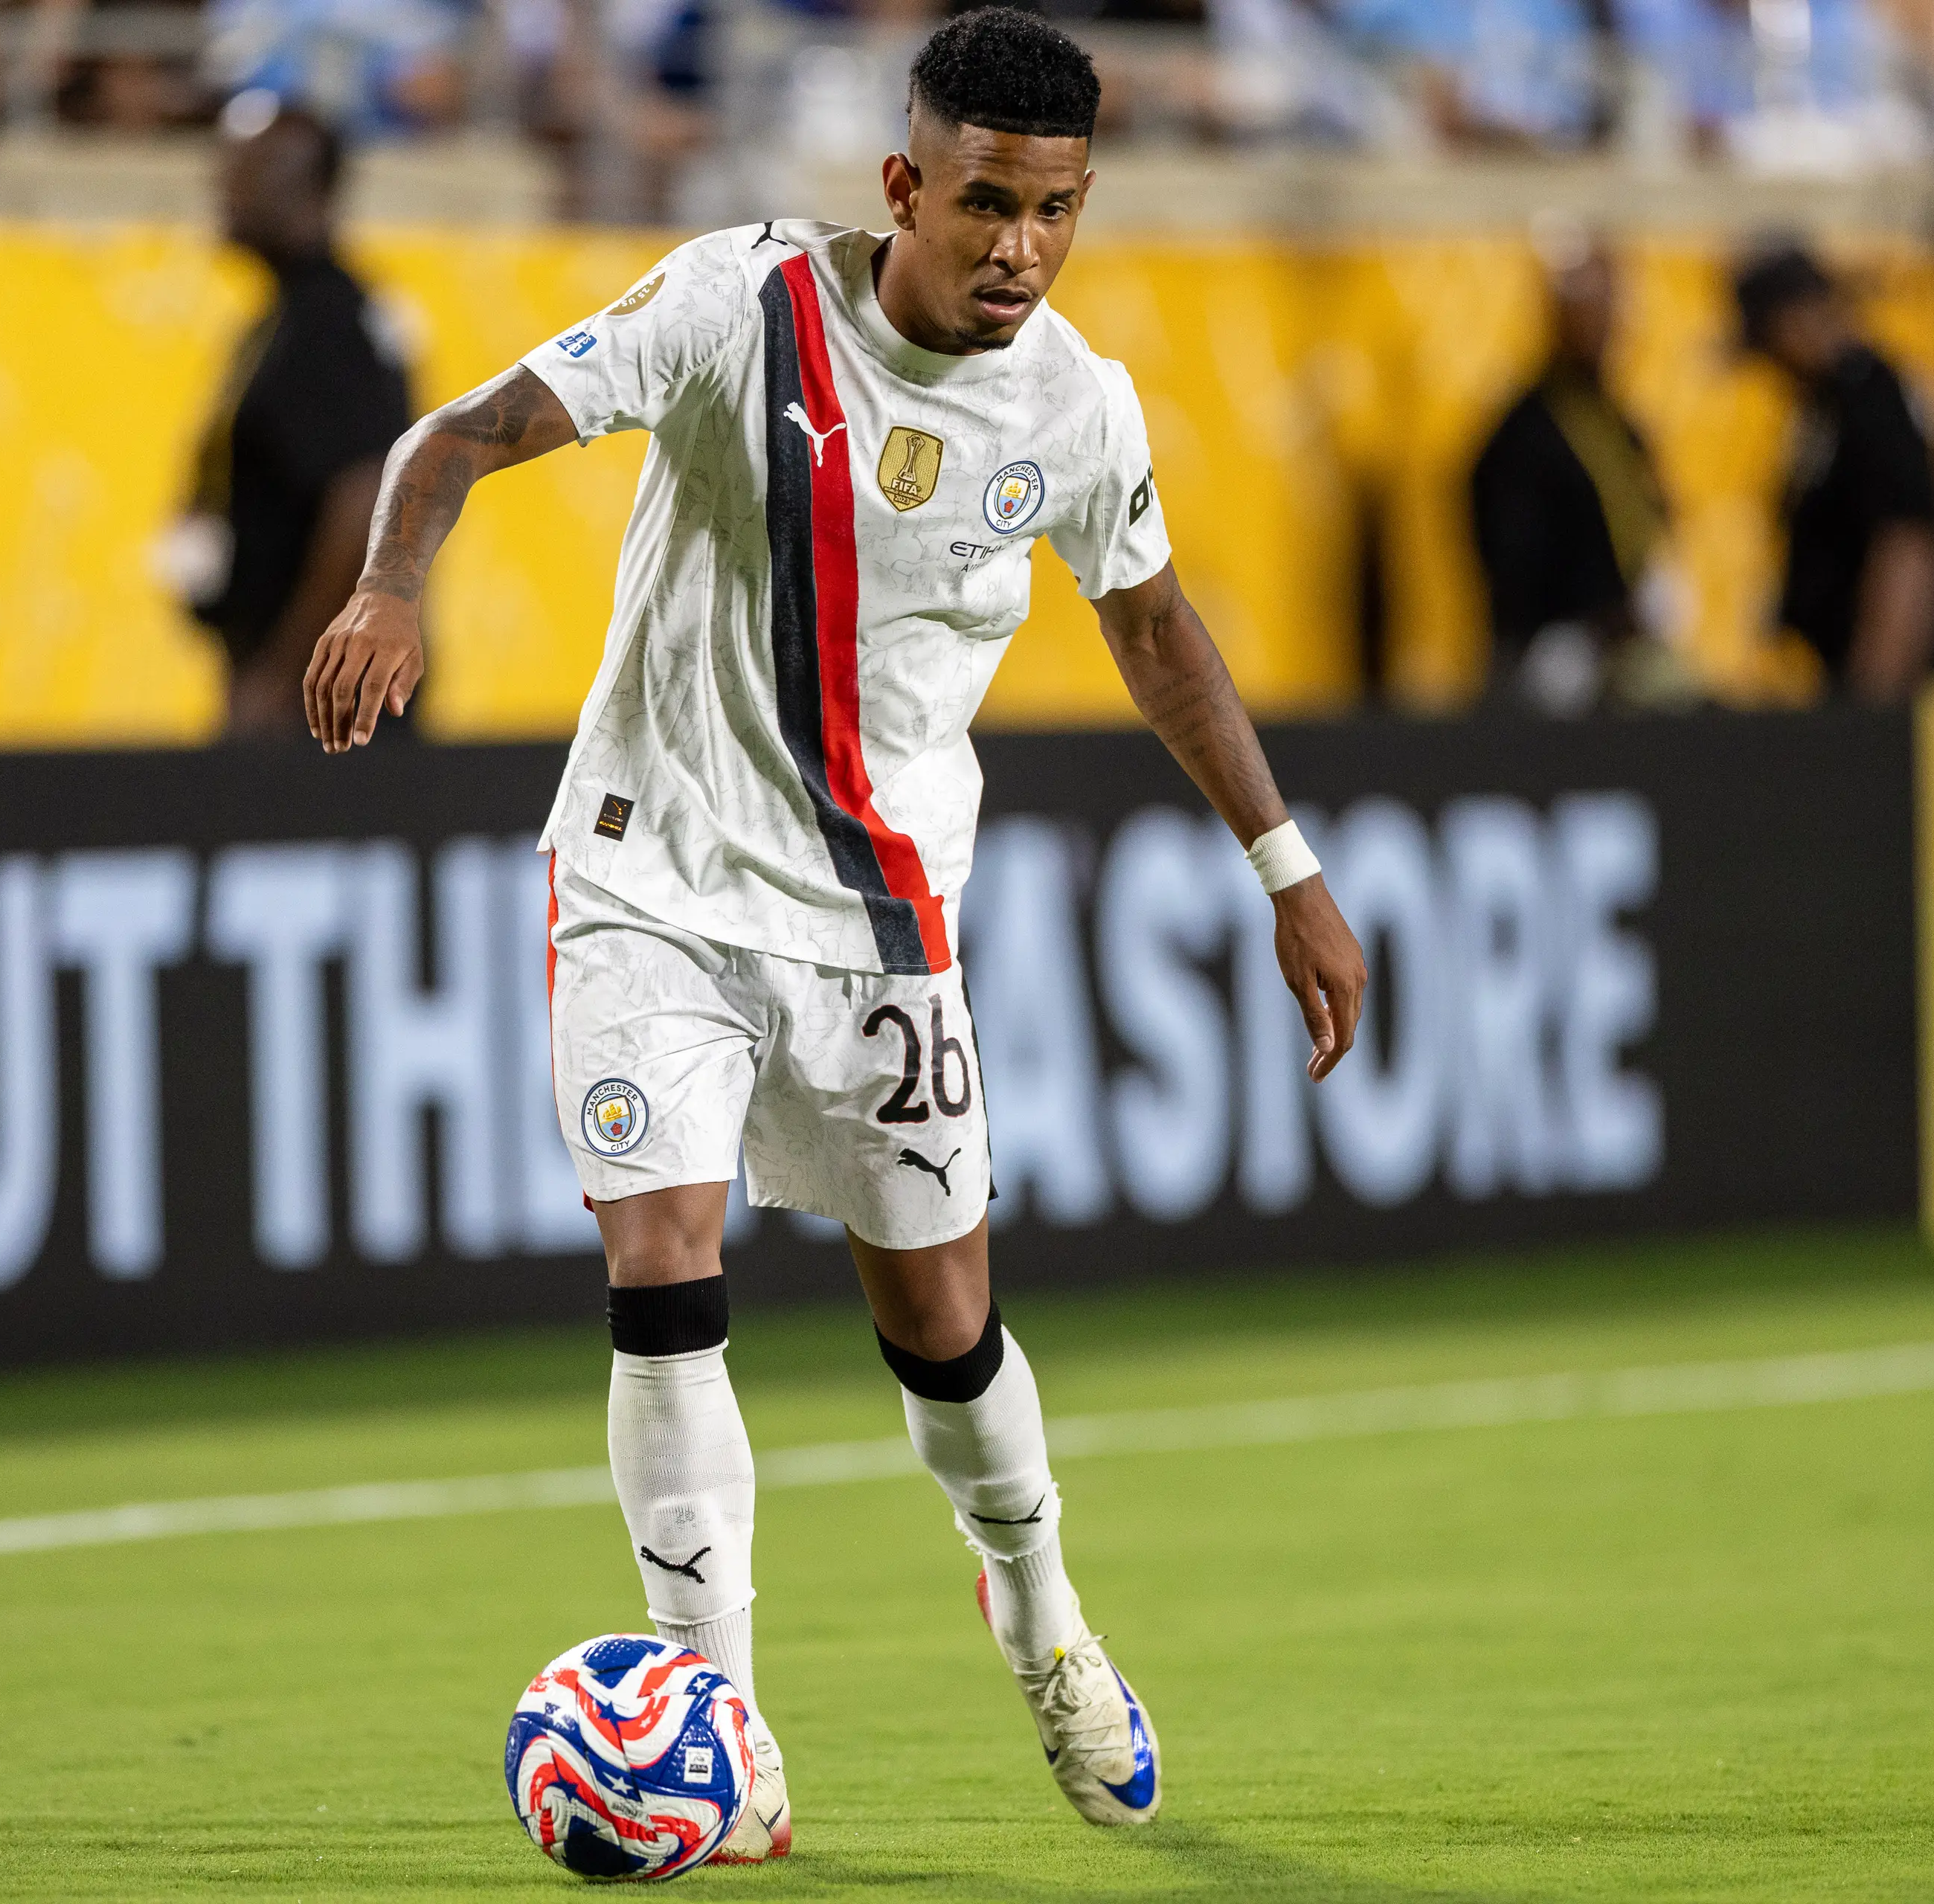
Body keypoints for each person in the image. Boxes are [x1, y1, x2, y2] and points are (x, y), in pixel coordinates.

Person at [298, 6, 1369, 1857]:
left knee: (944, 1334)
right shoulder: (741, 309)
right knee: (661, 1281)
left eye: (1054, 210)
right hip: (647, 876)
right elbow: (459, 431)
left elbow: (1155, 631)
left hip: (879, 926)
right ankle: (717, 1715)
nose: (1019, 247)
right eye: (983, 205)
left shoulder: (1075, 409)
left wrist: (1286, 866)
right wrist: (392, 583)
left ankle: (1037, 1612)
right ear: (902, 185)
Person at [170, 97, 413, 737]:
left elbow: (368, 500)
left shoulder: (328, 324)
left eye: (246, 169)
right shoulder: (288, 318)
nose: (223, 186)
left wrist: (285, 678)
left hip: (327, 714)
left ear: (306, 187)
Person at [1733, 240, 1934, 701]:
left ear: (1793, 323)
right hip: (1848, 674)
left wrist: (1870, 707)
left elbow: (1909, 549)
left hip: (1903, 694)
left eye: (1767, 345)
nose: (1771, 369)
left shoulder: (1873, 399)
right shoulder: (1828, 406)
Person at [1468, 232, 1673, 714]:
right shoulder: (1525, 431)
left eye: (1609, 308)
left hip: (1623, 641)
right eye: (1588, 307)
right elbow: (1512, 553)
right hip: (1558, 649)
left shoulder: (1613, 419)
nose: (1603, 325)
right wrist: (1598, 616)